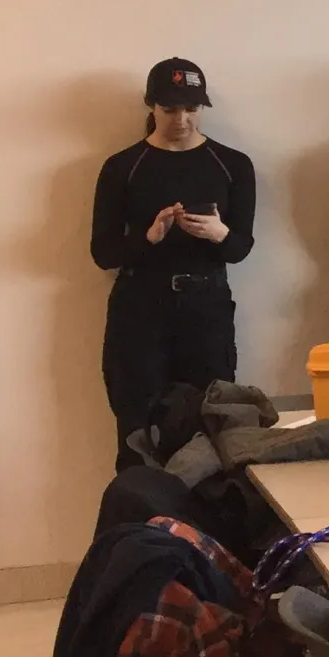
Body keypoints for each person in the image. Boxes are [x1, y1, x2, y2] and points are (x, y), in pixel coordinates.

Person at [89, 59, 256, 451]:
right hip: (140, 306)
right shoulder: (123, 167)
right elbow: (102, 252)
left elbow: (241, 248)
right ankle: (141, 510)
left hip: (206, 304)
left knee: (210, 425)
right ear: (151, 107)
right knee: (137, 429)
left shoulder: (232, 165)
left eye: (192, 109)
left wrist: (220, 234)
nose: (181, 120)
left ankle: (203, 513)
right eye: (169, 109)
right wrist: (148, 238)